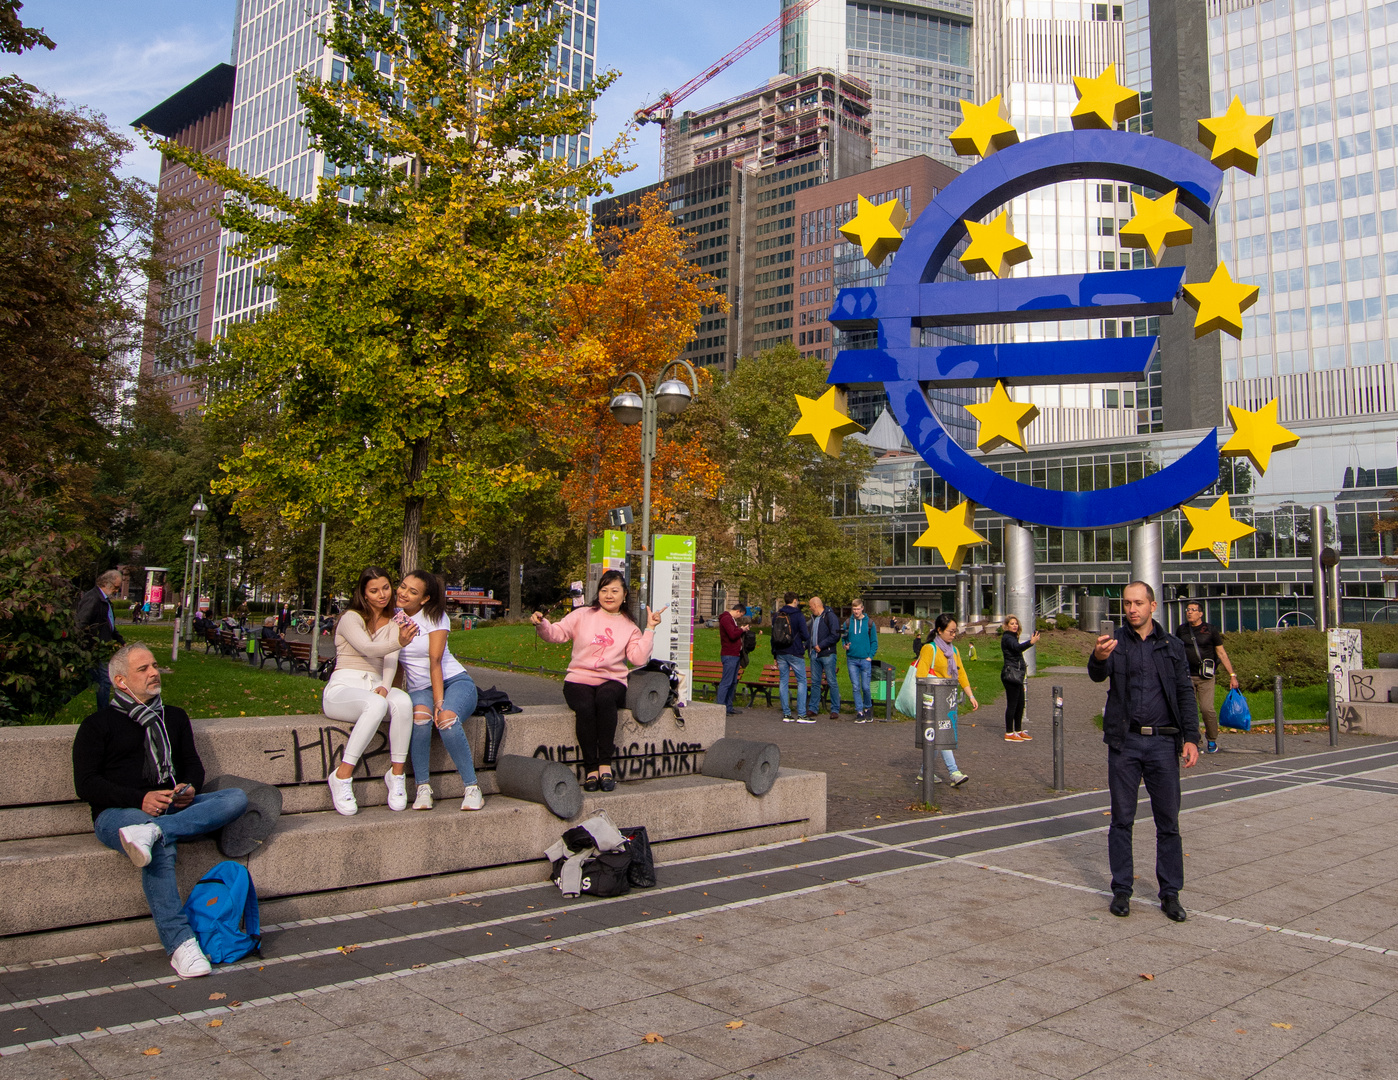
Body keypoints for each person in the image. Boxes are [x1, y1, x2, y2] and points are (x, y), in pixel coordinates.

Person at [71, 644, 249, 979]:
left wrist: (188, 789)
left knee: (236, 798)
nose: (155, 672)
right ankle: (181, 944)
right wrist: (140, 801)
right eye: (144, 669)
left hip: (172, 810)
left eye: (155, 665)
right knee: (157, 845)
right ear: (122, 681)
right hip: (118, 815)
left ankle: (155, 830)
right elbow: (87, 784)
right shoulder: (98, 725)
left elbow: (192, 767)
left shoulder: (175, 717)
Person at [1088, 580, 1200, 922]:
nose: (1131, 609)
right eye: (1126, 603)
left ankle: (1170, 893)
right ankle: (1122, 890)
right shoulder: (1114, 643)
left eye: (1137, 603)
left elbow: (1184, 692)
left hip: (1164, 744)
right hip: (1126, 742)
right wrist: (1098, 657)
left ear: (1153, 606)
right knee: (1122, 818)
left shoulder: (1172, 646)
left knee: (1168, 820)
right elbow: (1096, 675)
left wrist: (1191, 737)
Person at [532, 570, 665, 791]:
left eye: (614, 590)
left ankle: (605, 765)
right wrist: (542, 624)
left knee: (605, 700)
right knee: (584, 706)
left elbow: (638, 659)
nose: (609, 595)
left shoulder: (629, 626)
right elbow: (556, 633)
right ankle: (591, 768)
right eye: (604, 590)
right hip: (579, 679)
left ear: (624, 595)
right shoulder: (583, 615)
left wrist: (649, 629)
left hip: (612, 680)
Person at [322, 567, 419, 816]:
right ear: (364, 594)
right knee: (375, 704)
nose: (382, 595)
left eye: (386, 588)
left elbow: (391, 658)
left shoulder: (396, 619)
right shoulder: (350, 618)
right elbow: (367, 648)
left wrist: (386, 686)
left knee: (403, 702)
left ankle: (396, 774)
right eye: (374, 591)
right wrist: (398, 640)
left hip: (374, 684)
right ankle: (342, 776)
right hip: (343, 687)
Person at [396, 570, 484, 811]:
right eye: (403, 586)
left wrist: (439, 702)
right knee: (420, 718)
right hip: (419, 689)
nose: (403, 593)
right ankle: (423, 788)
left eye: (412, 591)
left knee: (445, 718)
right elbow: (395, 663)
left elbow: (435, 661)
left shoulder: (435, 617)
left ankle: (472, 787)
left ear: (424, 599)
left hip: (454, 682)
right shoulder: (394, 618)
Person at [915, 614, 978, 787]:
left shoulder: (954, 651)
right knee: (942, 735)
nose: (953, 635)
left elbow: (961, 673)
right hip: (933, 700)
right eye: (950, 632)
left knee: (937, 738)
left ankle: (924, 770)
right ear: (940, 631)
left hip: (948, 700)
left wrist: (970, 695)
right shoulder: (929, 649)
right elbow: (921, 676)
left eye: (955, 632)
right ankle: (954, 772)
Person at [1175, 600, 1238, 754]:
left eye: (1193, 610)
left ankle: (1212, 739)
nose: (1189, 612)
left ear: (1200, 613)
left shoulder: (1210, 630)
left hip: (1206, 677)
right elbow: (1175, 651)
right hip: (1187, 676)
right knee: (1189, 710)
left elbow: (1221, 653)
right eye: (1188, 609)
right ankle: (1194, 741)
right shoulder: (1182, 630)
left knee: (1206, 709)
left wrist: (1232, 675)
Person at [76, 570, 126, 709]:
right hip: (94, 648)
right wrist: (87, 644)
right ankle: (104, 714)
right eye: (116, 587)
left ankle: (59, 701)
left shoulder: (104, 600)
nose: (117, 590)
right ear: (106, 583)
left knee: (87, 680)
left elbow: (109, 624)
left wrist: (120, 640)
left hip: (100, 647)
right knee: (105, 680)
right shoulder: (93, 599)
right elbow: (81, 623)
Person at [771, 592, 811, 722]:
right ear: (795, 600)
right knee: (801, 681)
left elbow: (773, 637)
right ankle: (801, 714)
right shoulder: (798, 615)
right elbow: (805, 634)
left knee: (783, 681)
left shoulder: (777, 615)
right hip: (795, 651)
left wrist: (774, 654)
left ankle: (786, 714)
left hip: (780, 652)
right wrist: (806, 644)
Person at [999, 615, 1040, 742]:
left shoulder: (1013, 637)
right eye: (1012, 623)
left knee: (1020, 703)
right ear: (1006, 626)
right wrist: (1031, 643)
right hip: (1011, 675)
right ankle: (1009, 732)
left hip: (1017, 675)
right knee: (1012, 704)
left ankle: (1018, 730)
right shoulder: (1007, 637)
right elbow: (1017, 648)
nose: (1015, 625)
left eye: (1016, 623)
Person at [806, 596, 842, 719]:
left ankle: (835, 709)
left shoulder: (830, 616)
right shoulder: (814, 618)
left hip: (827, 653)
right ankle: (813, 708)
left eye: (810, 607)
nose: (810, 609)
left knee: (831, 681)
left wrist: (821, 645)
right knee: (815, 682)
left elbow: (835, 635)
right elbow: (810, 637)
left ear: (816, 605)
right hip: (814, 655)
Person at [844, 598, 879, 723]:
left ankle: (868, 708)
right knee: (855, 686)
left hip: (865, 659)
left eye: (858, 609)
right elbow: (844, 637)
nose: (856, 611)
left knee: (865, 687)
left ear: (862, 608)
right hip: (852, 659)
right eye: (854, 609)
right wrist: (845, 645)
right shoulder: (848, 622)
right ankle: (859, 711)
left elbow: (874, 641)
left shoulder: (869, 623)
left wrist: (870, 656)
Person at [715, 600, 746, 716]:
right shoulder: (727, 619)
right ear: (738, 611)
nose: (740, 617)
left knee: (732, 682)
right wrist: (741, 630)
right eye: (741, 615)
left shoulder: (730, 619)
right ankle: (721, 707)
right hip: (729, 654)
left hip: (734, 654)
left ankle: (728, 706)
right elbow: (732, 635)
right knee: (726, 682)